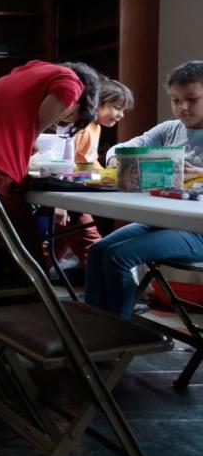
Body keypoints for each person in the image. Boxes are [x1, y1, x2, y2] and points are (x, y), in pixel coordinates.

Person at [0, 60, 100, 266]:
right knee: (27, 260)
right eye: (69, 116)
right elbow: (67, 90)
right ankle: (31, 295)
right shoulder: (69, 79)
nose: (59, 121)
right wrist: (30, 134)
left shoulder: (22, 74)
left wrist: (8, 131)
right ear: (80, 101)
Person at [86, 61, 203, 318]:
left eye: (192, 99)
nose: (182, 107)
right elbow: (123, 148)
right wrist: (117, 159)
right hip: (163, 221)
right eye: (176, 100)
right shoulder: (171, 129)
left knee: (117, 257)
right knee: (97, 252)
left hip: (198, 230)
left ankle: (117, 335)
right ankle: (94, 329)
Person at [51, 77, 134, 268]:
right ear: (96, 103)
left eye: (123, 110)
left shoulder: (94, 127)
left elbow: (88, 160)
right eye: (116, 107)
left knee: (56, 248)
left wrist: (108, 176)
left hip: (75, 194)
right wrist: (58, 204)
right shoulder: (81, 128)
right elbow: (59, 165)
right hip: (68, 198)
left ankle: (35, 282)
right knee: (92, 247)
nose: (121, 115)